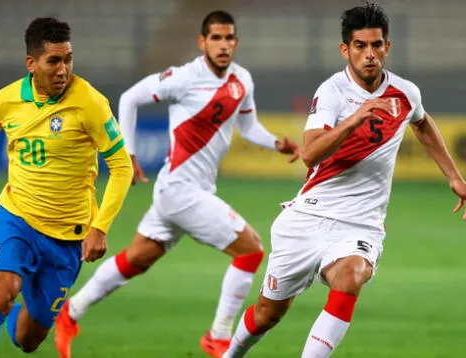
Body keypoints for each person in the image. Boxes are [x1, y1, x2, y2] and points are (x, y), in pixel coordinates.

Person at [221, 3, 466, 357]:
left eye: (376, 45)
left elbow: (421, 122)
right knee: (268, 314)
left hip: (360, 225)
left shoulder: (404, 93)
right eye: (360, 46)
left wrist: (454, 176)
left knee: (351, 276)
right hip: (308, 218)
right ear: (346, 49)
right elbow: (310, 154)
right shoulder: (331, 92)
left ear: (387, 47)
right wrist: (354, 119)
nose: (369, 54)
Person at [54, 10, 300, 358]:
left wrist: (276, 143)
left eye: (229, 38)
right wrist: (130, 152)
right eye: (216, 38)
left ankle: (70, 312)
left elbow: (248, 127)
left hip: (189, 191)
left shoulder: (242, 80)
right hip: (180, 190)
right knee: (251, 249)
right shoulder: (185, 77)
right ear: (202, 42)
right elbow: (130, 98)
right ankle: (218, 336)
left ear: (236, 42)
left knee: (136, 259)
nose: (223, 45)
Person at [0, 17, 133, 358]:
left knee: (28, 340)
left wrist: (100, 227)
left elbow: (121, 166)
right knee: (1, 294)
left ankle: (22, 308)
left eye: (68, 59)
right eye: (53, 61)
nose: (63, 69)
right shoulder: (5, 101)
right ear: (32, 63)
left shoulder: (90, 102)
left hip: (67, 236)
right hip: (17, 217)